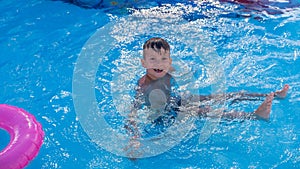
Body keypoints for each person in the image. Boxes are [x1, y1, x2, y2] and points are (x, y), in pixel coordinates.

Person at [124, 37, 289, 158]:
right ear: (144, 63)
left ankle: (274, 95)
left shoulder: (169, 70)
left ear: (169, 61)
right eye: (153, 59)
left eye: (163, 59)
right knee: (207, 111)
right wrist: (135, 138)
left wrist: (191, 72)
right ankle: (254, 116)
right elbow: (132, 114)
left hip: (177, 100)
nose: (159, 64)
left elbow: (185, 74)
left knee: (223, 96)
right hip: (165, 113)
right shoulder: (144, 86)